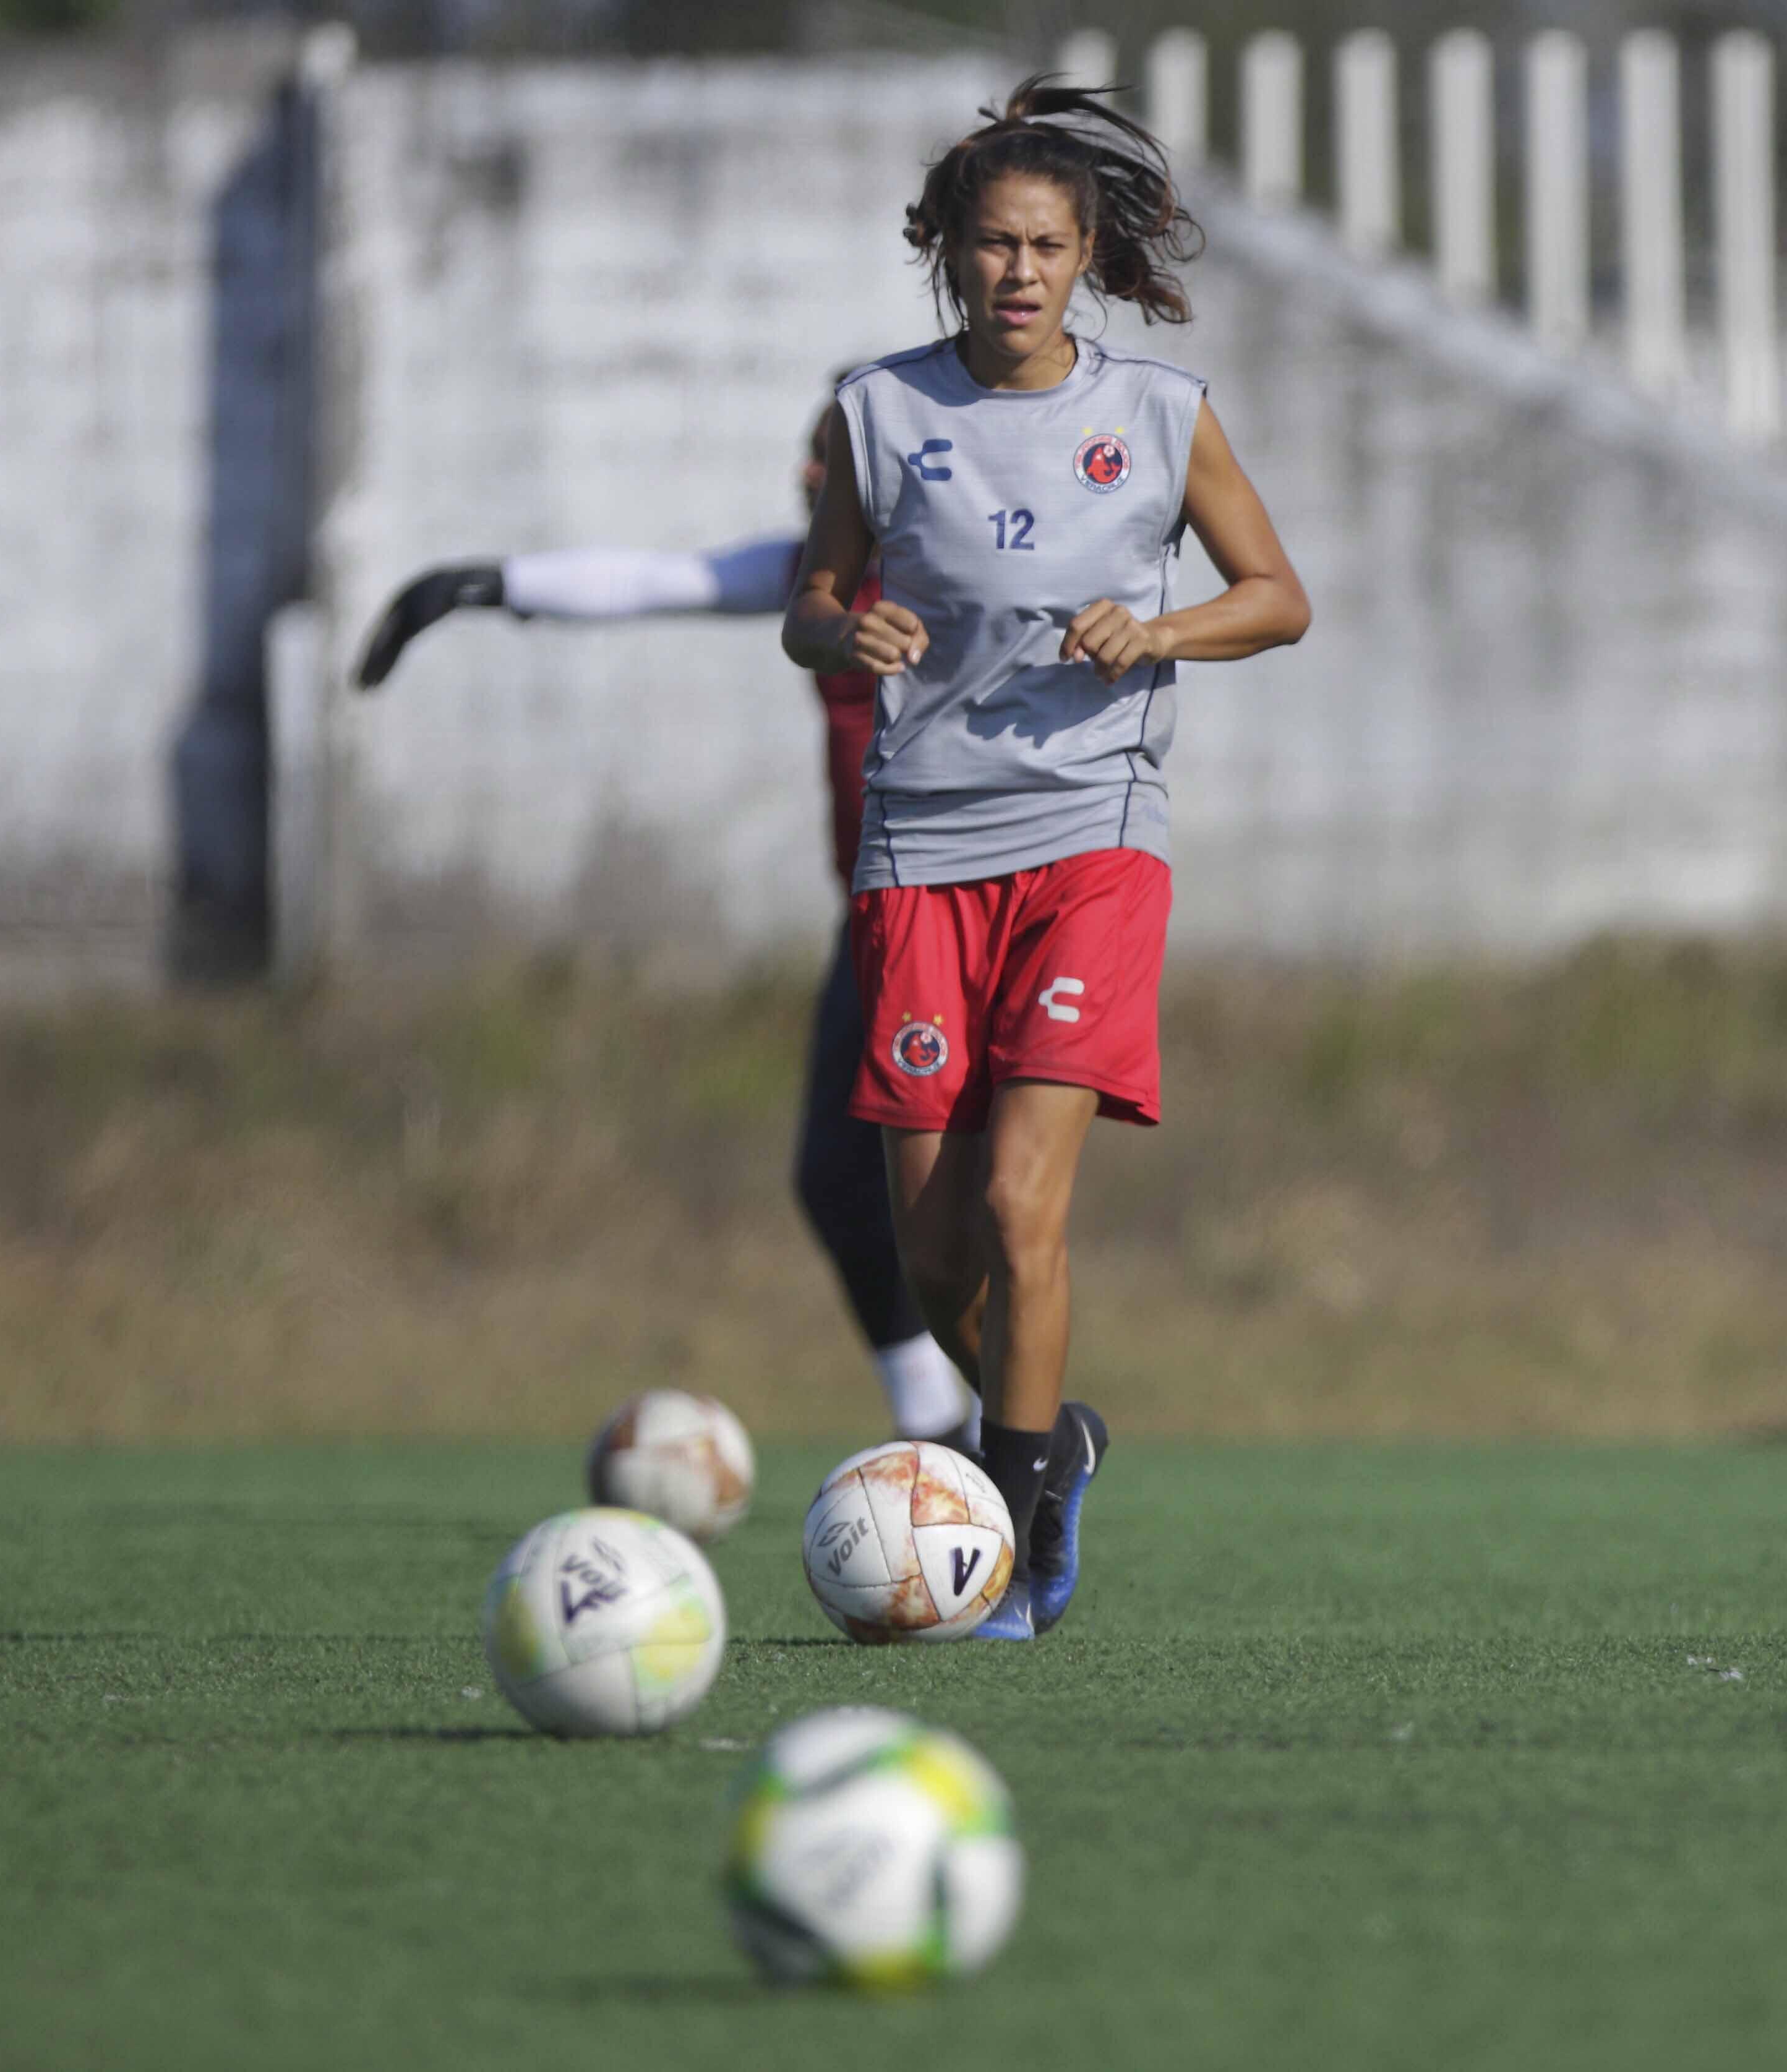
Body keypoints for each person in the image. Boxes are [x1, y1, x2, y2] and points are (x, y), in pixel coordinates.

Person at [783, 77, 1309, 1640]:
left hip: (1094, 834)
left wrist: (1158, 628)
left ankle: (1009, 1539)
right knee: (936, 1253)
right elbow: (809, 604)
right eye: (991, 245)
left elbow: (1277, 593)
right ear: (948, 252)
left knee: (1022, 1208)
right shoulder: (876, 414)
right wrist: (840, 622)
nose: (1018, 272)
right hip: (920, 850)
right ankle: (1057, 1433)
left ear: (1088, 258)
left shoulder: (1159, 414)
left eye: (1046, 247)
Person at [353, 396, 984, 1462]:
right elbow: (658, 580)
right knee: (837, 1180)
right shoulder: (816, 582)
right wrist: (475, 587)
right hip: (875, 923)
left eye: (828, 455)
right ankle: (939, 1422)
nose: (804, 473)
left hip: (972, 919)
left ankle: (1017, 1440)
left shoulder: (966, 575)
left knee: (964, 1194)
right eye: (808, 452)